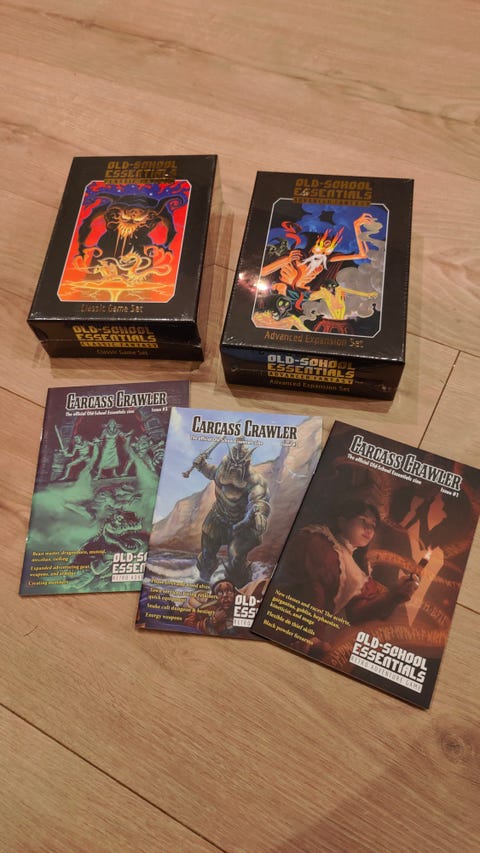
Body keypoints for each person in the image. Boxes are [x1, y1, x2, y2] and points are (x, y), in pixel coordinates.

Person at [278, 498, 418, 624]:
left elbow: (357, 613)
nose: (369, 529)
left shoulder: (359, 573)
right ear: (342, 522)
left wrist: (394, 595)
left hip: (311, 632)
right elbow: (310, 590)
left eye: (373, 525)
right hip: (284, 615)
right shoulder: (317, 541)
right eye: (363, 520)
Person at [193, 439, 270, 587]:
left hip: (241, 525)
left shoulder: (255, 480)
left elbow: (259, 499)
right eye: (232, 463)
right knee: (207, 555)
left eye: (239, 465)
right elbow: (210, 471)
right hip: (217, 519)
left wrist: (260, 512)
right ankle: (203, 583)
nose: (235, 468)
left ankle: (239, 588)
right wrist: (201, 465)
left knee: (236, 558)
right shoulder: (220, 472)